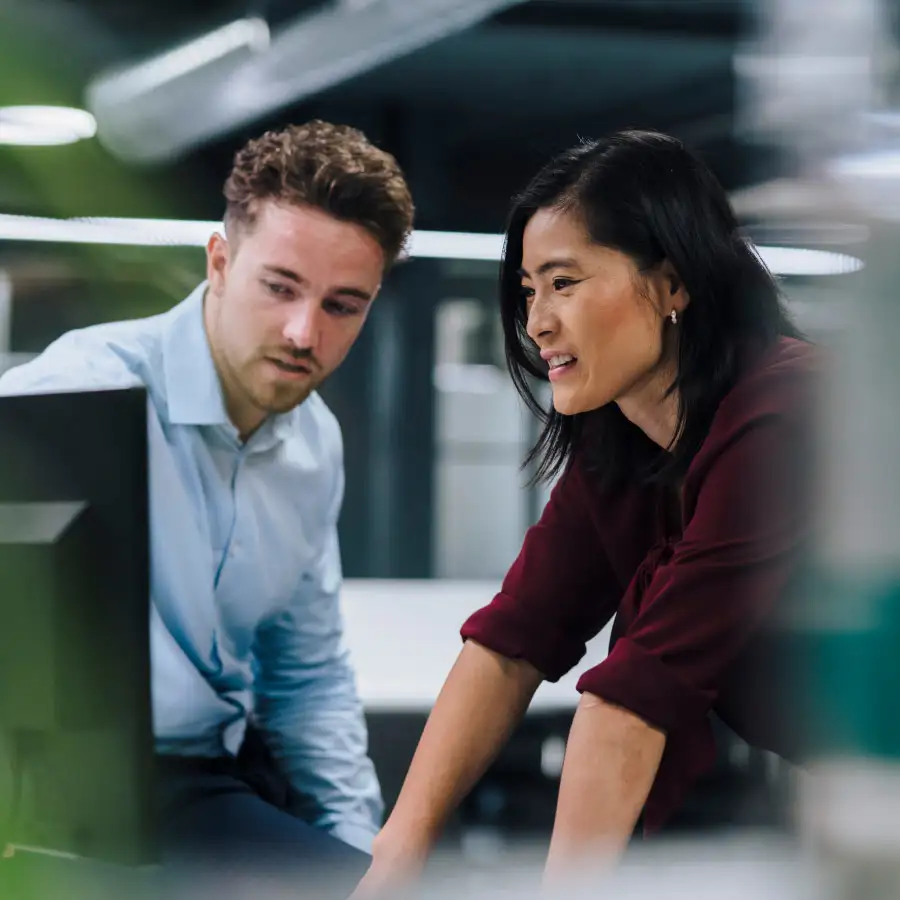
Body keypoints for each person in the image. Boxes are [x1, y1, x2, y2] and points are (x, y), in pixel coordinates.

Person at [354, 130, 818, 894]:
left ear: (672, 283)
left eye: (564, 282)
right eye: (530, 289)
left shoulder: (785, 419)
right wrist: (392, 860)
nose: (536, 322)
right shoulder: (625, 445)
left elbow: (630, 702)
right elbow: (510, 646)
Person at [0, 120, 414, 887]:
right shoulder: (87, 387)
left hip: (196, 783)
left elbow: (307, 677)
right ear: (220, 263)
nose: (303, 332)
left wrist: (364, 862)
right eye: (281, 287)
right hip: (45, 791)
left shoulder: (314, 444)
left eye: (342, 306)